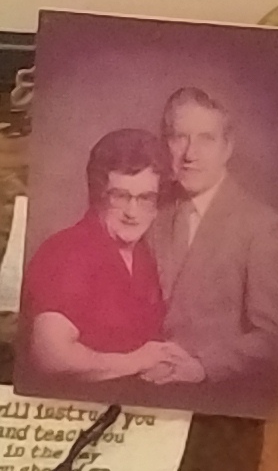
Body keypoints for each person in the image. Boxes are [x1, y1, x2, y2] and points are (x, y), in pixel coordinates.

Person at [19, 129, 202, 391]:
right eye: (120, 196)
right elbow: (51, 357)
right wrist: (136, 361)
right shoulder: (67, 252)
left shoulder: (142, 257)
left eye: (146, 198)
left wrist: (178, 365)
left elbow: (143, 345)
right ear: (98, 194)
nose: (132, 212)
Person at [148, 85, 278, 401]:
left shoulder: (262, 228)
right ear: (164, 144)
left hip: (215, 398)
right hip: (141, 390)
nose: (190, 154)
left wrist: (201, 367)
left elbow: (273, 338)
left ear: (227, 148)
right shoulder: (148, 211)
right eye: (179, 137)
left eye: (206, 139)